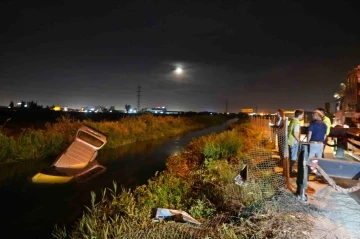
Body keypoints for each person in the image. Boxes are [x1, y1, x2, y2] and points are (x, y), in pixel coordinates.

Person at [288, 109, 304, 174]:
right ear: (299, 115)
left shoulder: (292, 121)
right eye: (302, 115)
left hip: (290, 141)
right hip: (294, 142)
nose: (303, 116)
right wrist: (299, 141)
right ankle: (291, 170)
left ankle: (289, 169)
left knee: (290, 156)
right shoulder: (297, 122)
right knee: (294, 156)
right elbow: (295, 133)